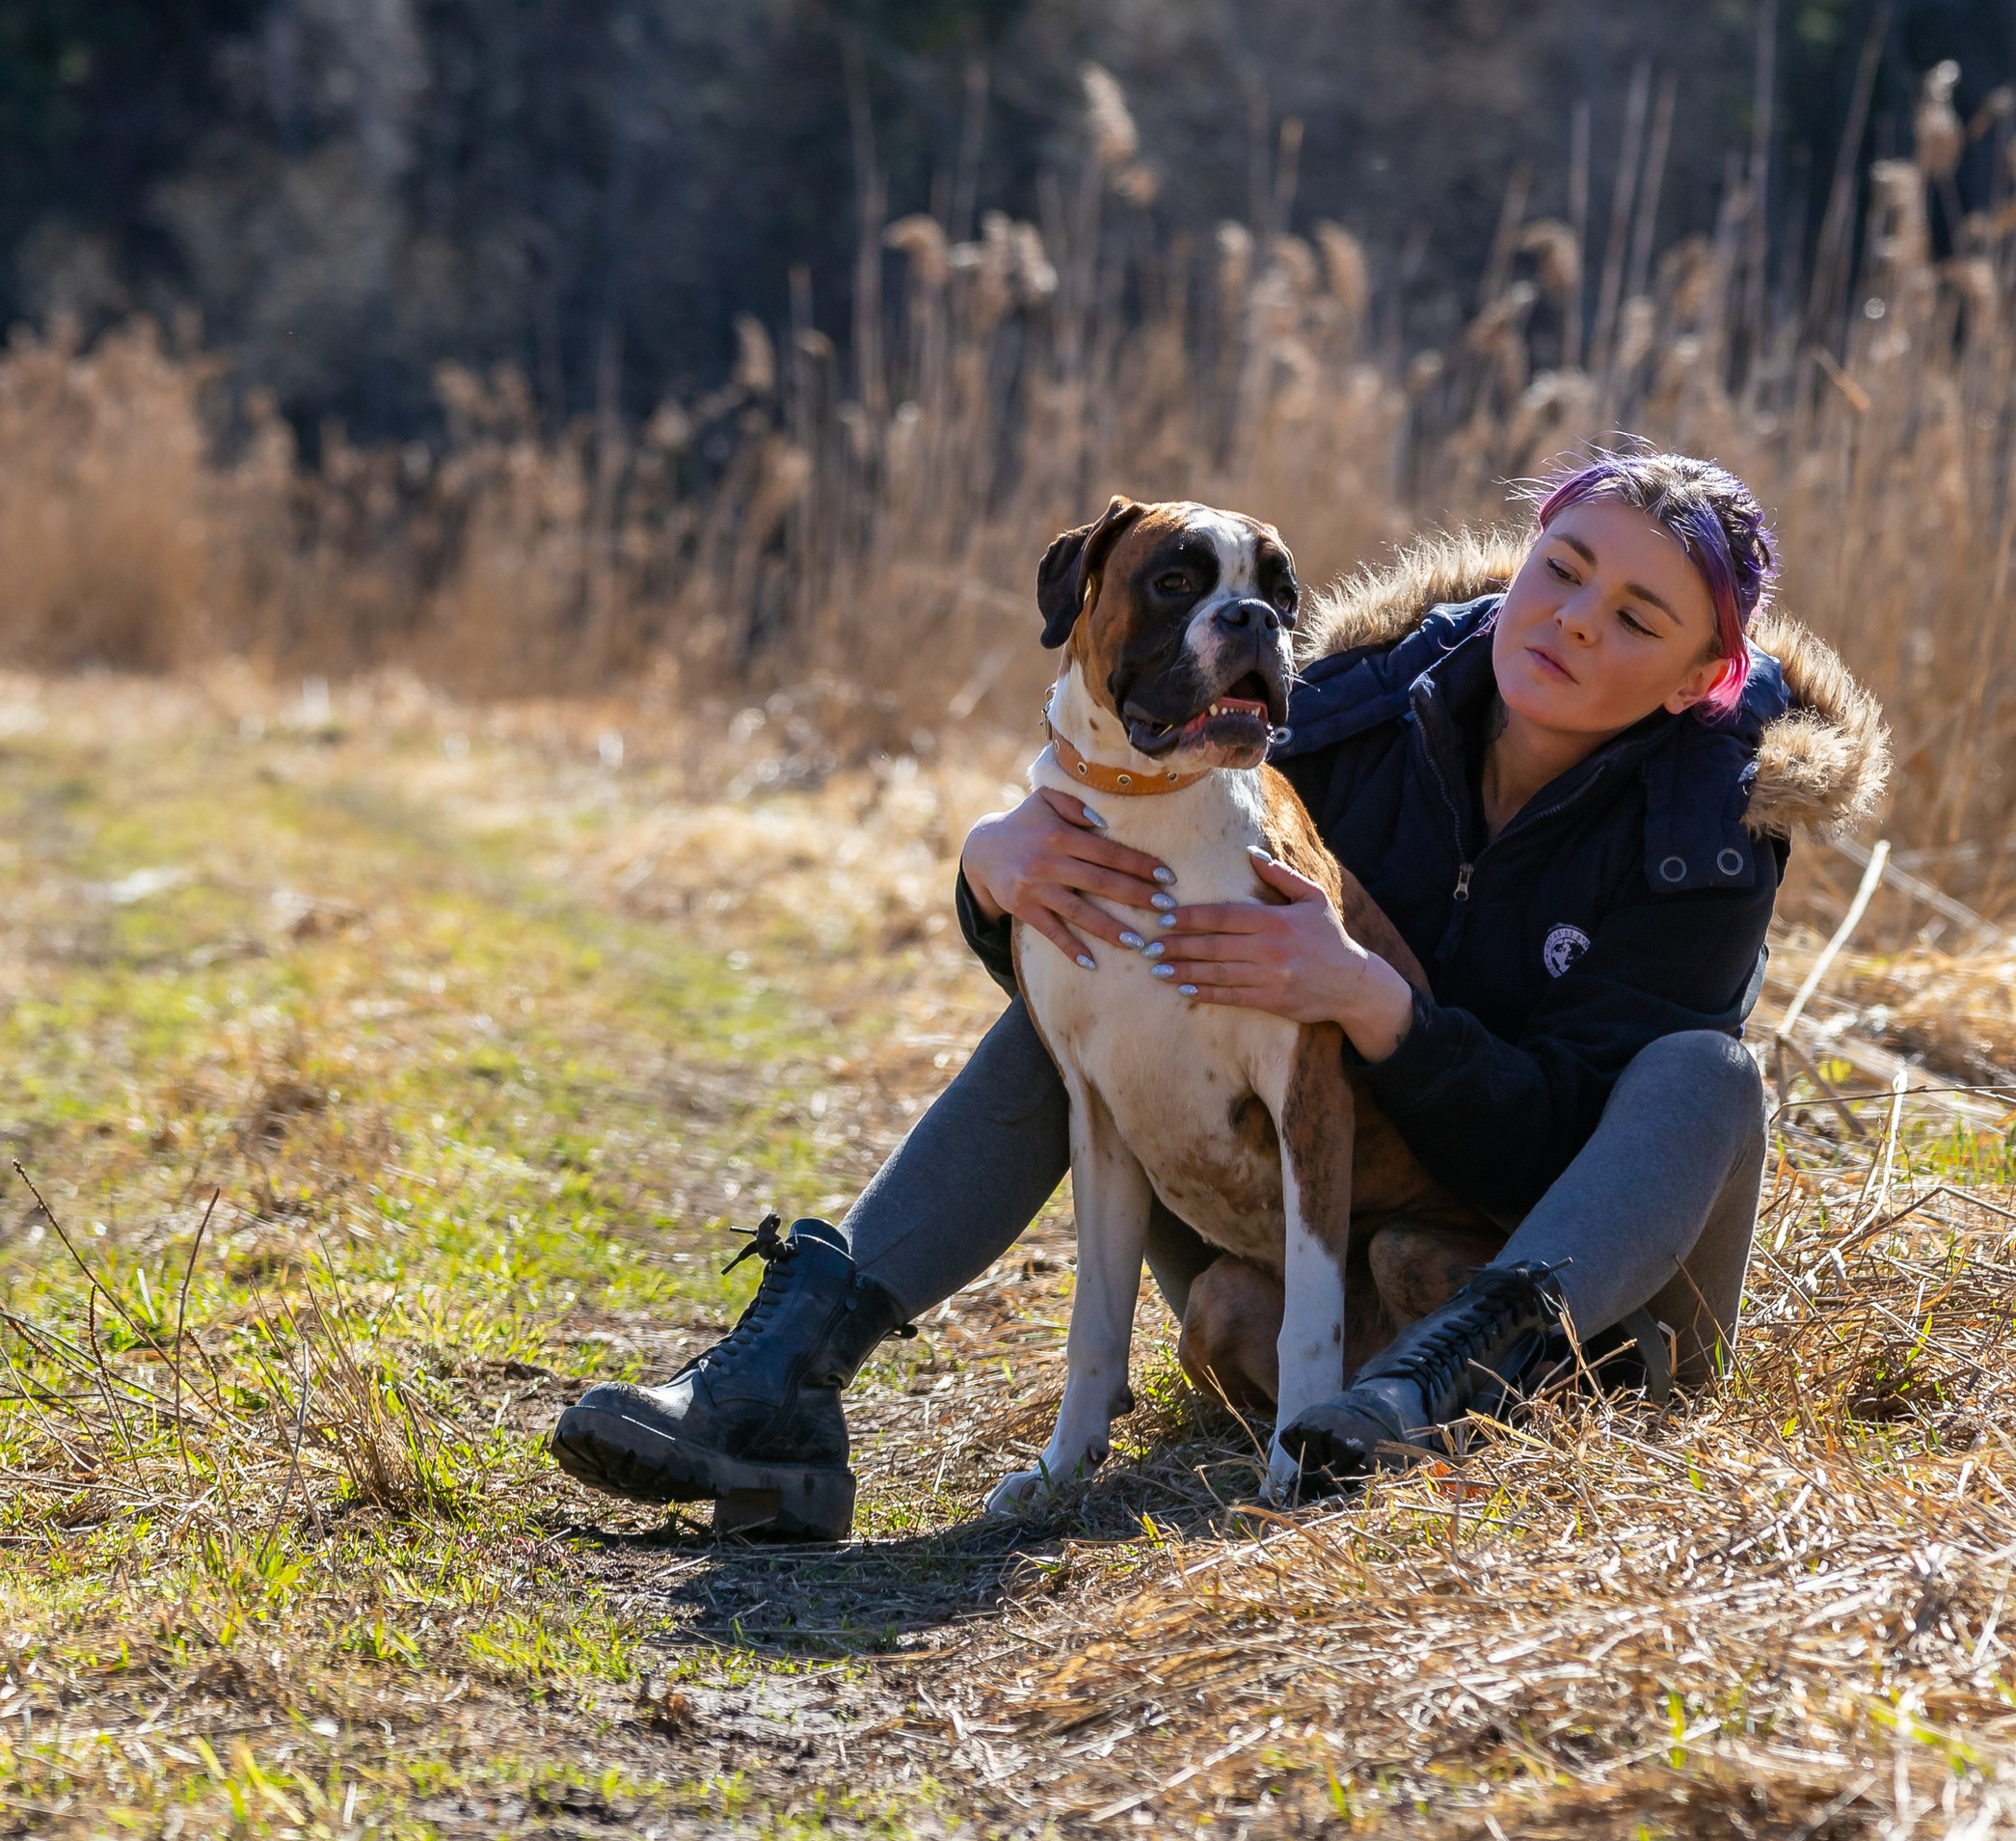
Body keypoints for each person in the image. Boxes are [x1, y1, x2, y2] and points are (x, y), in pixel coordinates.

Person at [552, 442, 1888, 1533]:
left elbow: (1570, 1146)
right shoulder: (1351, 703)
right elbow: (1100, 955)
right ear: (1524, 557)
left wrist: (1377, 1009)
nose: (1574, 624)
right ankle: (779, 1384)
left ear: (1699, 678)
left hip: (1578, 1292)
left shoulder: (1715, 821)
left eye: (1636, 618)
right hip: (1297, 1232)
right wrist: (995, 867)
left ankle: (1451, 1397)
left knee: (1705, 1073)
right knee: (1108, 955)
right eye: (1565, 570)